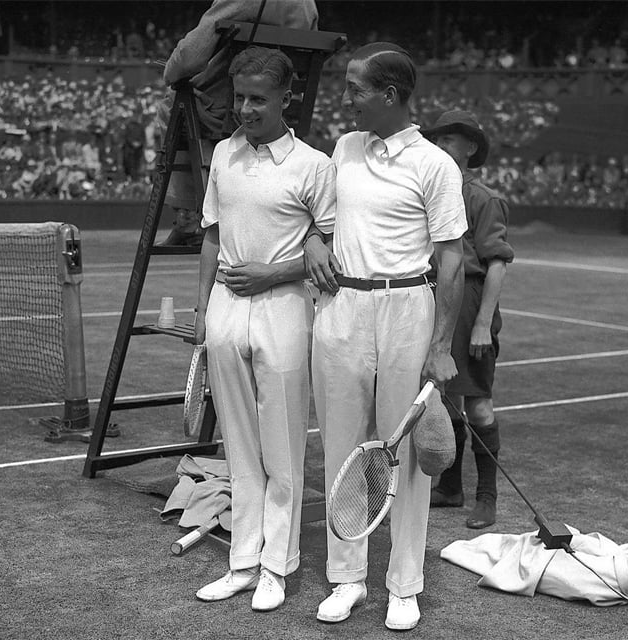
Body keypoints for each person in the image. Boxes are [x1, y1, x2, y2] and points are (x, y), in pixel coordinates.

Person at [303, 42, 466, 632]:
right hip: (342, 307)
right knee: (344, 448)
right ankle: (346, 579)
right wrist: (315, 241)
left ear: (390, 95)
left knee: (405, 457)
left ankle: (404, 584)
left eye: (356, 89)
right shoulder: (344, 147)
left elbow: (451, 262)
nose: (347, 99)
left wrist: (442, 346)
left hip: (407, 310)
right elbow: (317, 217)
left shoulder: (436, 165)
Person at [193, 46, 336, 612]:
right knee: (239, 447)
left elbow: (330, 252)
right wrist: (204, 315)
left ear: (286, 100)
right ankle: (242, 563)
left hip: (284, 310)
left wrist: (271, 273)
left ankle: (278, 566)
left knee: (282, 450)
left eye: (258, 99)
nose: (246, 109)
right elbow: (210, 235)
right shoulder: (224, 155)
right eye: (240, 98)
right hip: (225, 311)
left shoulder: (314, 165)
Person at [157, 0, 318, 247]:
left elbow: (190, 56)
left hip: (229, 111)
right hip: (283, 112)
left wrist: (170, 72)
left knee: (171, 104)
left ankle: (187, 215)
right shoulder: (307, 5)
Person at [421, 110, 515, 531]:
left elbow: (496, 264)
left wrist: (481, 323)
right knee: (445, 398)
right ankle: (452, 486)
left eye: (450, 138)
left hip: (472, 301)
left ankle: (487, 497)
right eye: (436, 137)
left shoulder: (483, 198)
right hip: (439, 298)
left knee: (477, 402)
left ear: (470, 147)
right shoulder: (433, 192)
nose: (439, 144)